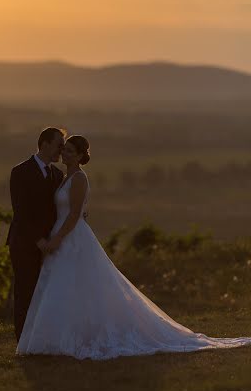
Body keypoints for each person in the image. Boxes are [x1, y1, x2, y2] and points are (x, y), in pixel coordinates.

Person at [16, 134, 251, 360]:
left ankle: (71, 339)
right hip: (62, 234)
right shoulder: (62, 176)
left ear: (78, 156)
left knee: (76, 284)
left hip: (71, 237)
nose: (63, 153)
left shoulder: (78, 178)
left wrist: (57, 239)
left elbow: (76, 213)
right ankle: (52, 338)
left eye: (68, 150)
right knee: (61, 286)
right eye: (63, 149)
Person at [6, 127, 65, 341]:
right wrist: (38, 240)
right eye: (59, 143)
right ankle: (23, 339)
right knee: (25, 290)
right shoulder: (20, 172)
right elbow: (20, 211)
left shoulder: (57, 175)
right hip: (24, 243)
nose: (62, 148)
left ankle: (42, 337)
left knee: (46, 291)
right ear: (45, 143)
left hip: (50, 245)